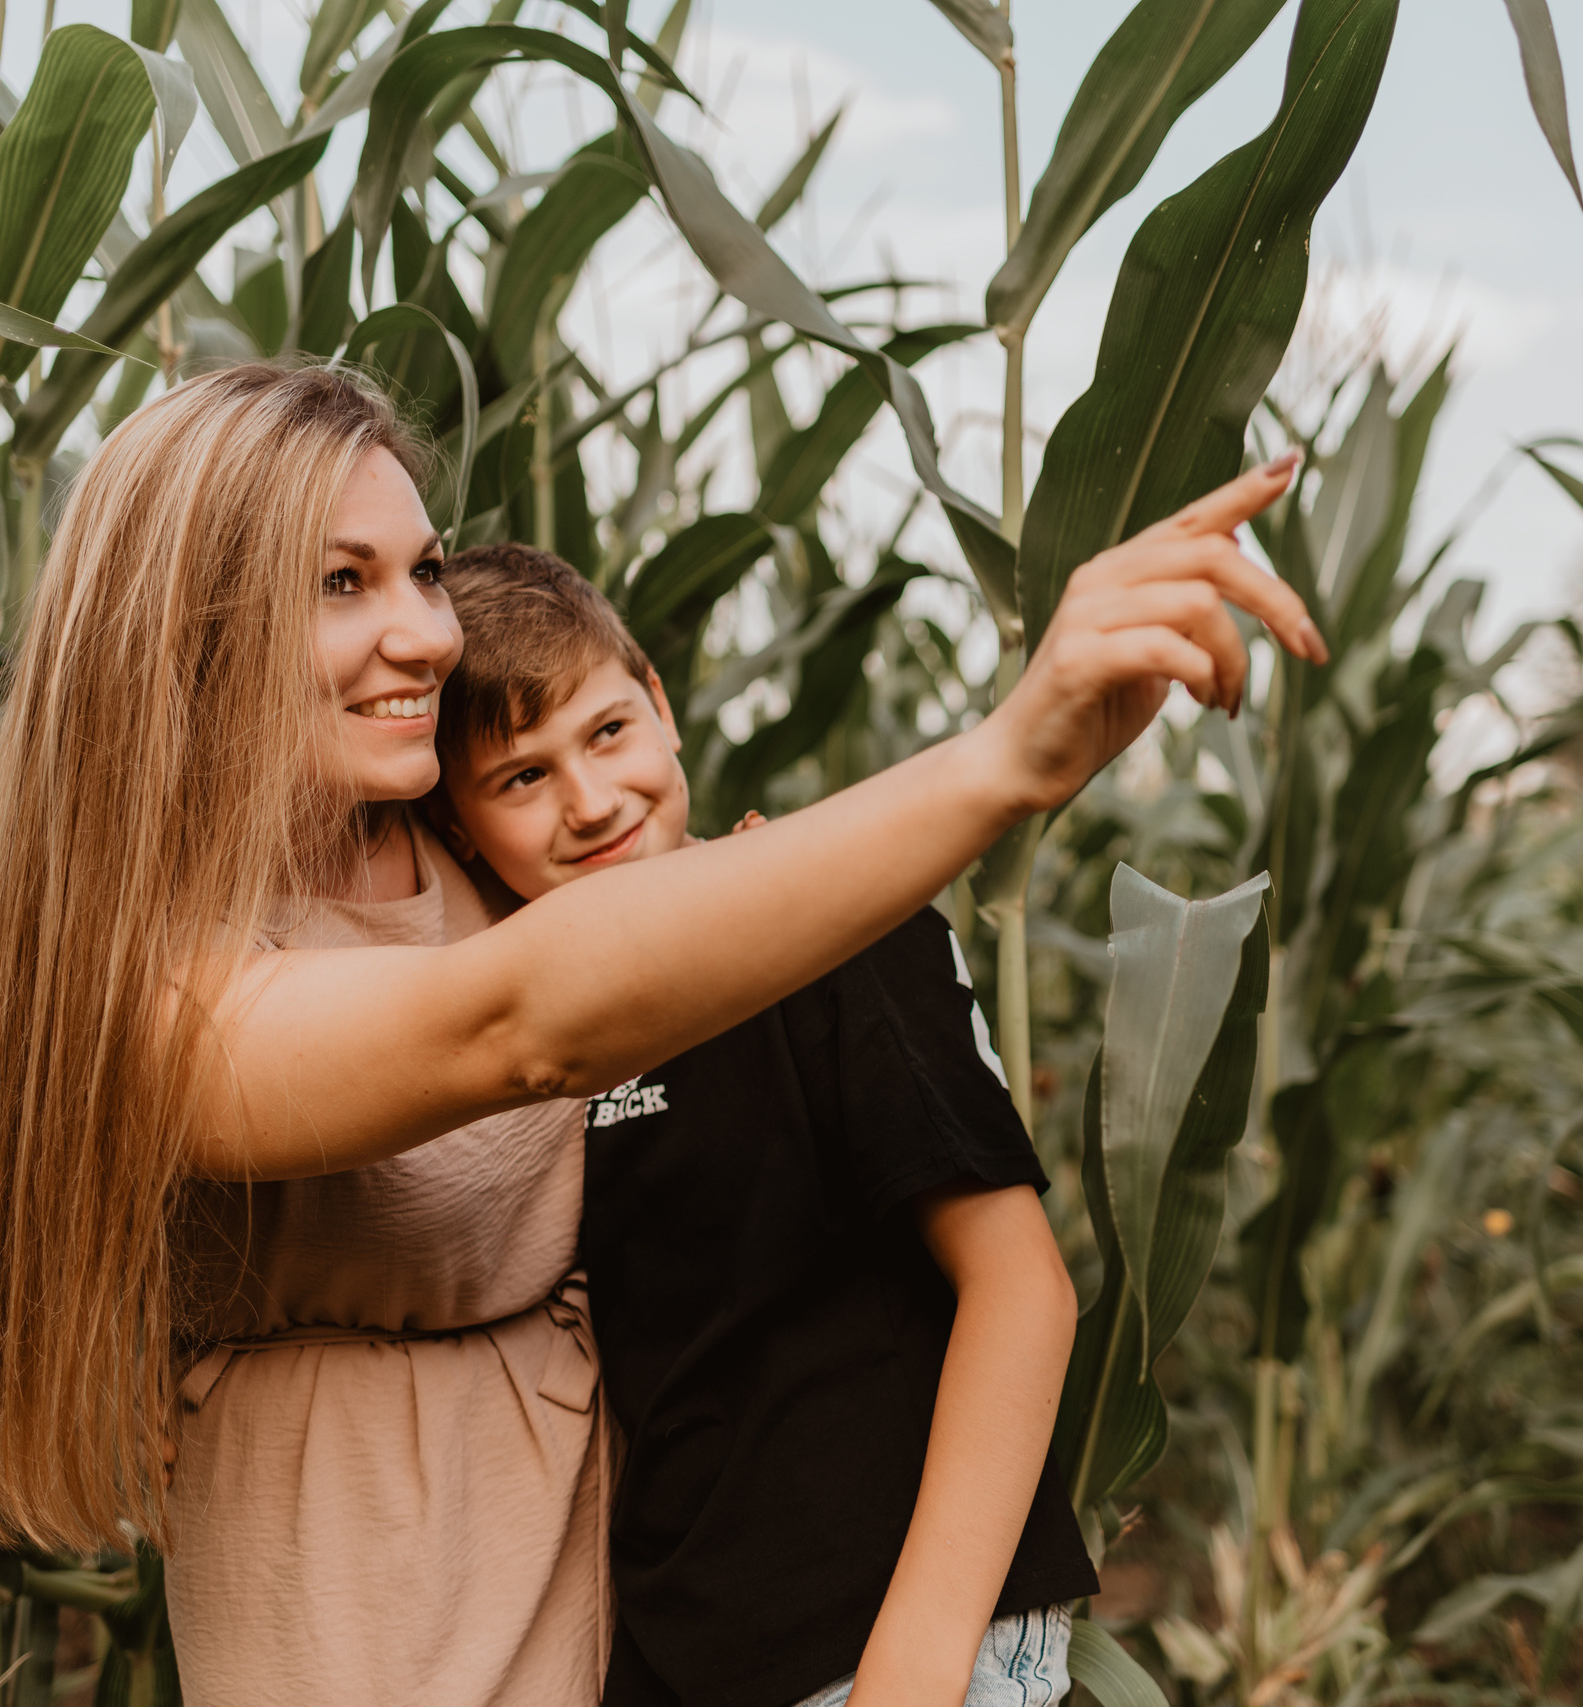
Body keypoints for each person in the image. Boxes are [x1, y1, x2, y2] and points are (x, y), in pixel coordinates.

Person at [0, 362, 1319, 1706]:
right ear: (188, 635)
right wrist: (1007, 758)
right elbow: (523, 1024)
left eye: (424, 567)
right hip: (369, 1611)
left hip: (635, 1620)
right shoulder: (157, 986)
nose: (425, 632)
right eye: (341, 581)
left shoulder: (452, 831)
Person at [427, 544, 1095, 1707]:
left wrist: (920, 1660)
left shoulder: (834, 925)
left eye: (606, 732)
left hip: (888, 1648)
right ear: (462, 831)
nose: (590, 803)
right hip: (691, 1661)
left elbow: (1023, 1289)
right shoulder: (531, 1058)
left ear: (664, 709)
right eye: (520, 779)